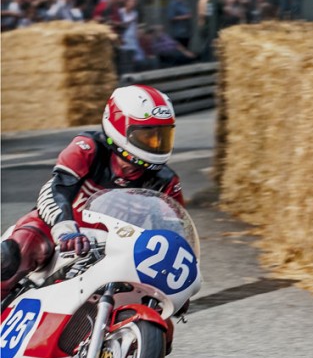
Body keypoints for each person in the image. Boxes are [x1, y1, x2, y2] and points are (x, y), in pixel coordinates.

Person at [1, 86, 184, 299]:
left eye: (162, 136)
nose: (157, 145)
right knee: (18, 250)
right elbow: (56, 189)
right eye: (148, 136)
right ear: (119, 128)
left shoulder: (166, 181)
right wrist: (65, 229)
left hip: (116, 250)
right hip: (63, 232)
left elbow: (174, 235)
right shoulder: (87, 148)